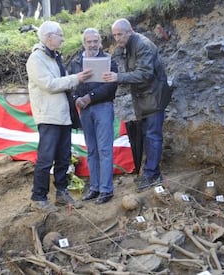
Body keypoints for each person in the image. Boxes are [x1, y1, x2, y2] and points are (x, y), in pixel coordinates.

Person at [26, 20, 93, 212]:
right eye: (60, 35)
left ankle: (62, 192)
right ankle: (38, 197)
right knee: (46, 158)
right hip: (48, 117)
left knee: (64, 157)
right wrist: (76, 78)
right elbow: (50, 84)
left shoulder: (53, 56)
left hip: (62, 115)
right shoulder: (36, 59)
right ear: (48, 37)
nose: (62, 39)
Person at [103, 18, 172, 193]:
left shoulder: (142, 45)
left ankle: (152, 175)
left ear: (130, 31)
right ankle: (150, 172)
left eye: (120, 34)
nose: (117, 38)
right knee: (149, 135)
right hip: (146, 98)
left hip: (153, 98)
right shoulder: (131, 45)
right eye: (114, 35)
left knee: (153, 136)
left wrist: (118, 77)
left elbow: (145, 74)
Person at [67, 28, 118, 204]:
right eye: (89, 41)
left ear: (100, 42)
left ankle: (106, 190)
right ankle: (95, 187)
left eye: (95, 41)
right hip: (85, 110)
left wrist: (90, 97)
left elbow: (111, 86)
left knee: (104, 149)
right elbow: (71, 84)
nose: (92, 44)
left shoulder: (109, 61)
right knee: (92, 150)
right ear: (84, 43)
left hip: (103, 107)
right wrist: (77, 99)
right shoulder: (75, 62)